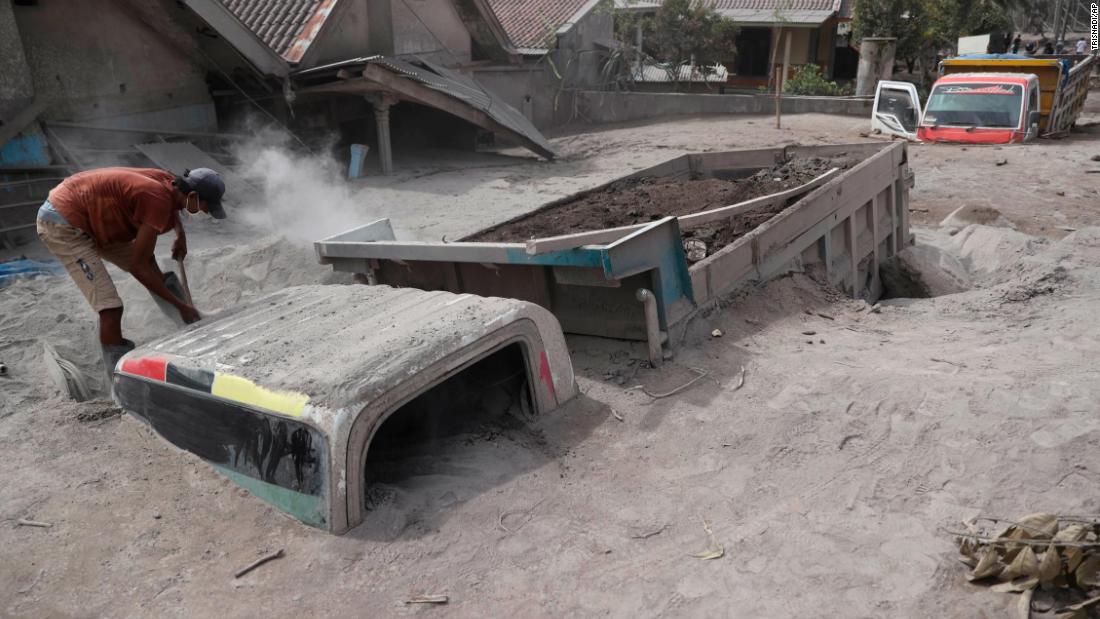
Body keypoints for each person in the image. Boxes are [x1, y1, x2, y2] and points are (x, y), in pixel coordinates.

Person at [36, 167, 226, 378]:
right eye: (205, 207)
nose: (205, 212)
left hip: (93, 217)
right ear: (192, 196)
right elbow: (137, 266)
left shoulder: (169, 183)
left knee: (150, 263)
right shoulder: (157, 199)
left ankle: (187, 321)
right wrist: (180, 304)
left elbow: (171, 207)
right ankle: (116, 380)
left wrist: (180, 235)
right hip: (64, 223)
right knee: (111, 308)